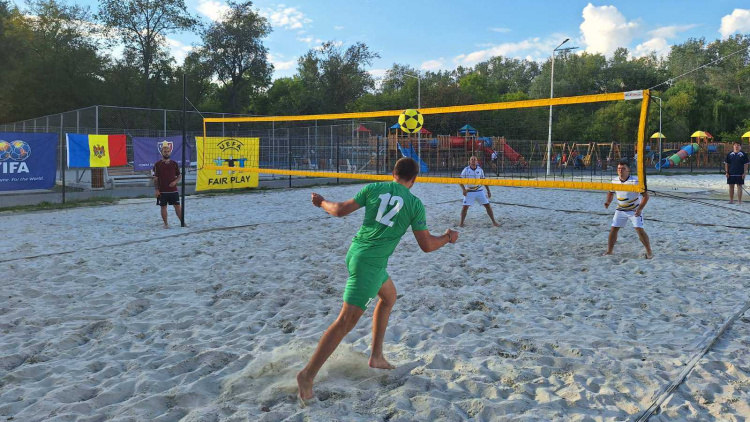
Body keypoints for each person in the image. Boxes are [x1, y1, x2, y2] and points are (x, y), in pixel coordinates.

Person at [297, 157, 459, 402]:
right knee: (344, 322)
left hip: (358, 254)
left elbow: (339, 210)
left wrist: (321, 202)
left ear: (393, 172)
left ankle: (376, 356)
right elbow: (427, 245)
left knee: (389, 297)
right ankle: (307, 375)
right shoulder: (415, 204)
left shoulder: (374, 188)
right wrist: (448, 237)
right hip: (369, 265)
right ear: (414, 180)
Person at [604, 161, 652, 259]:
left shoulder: (636, 181)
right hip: (620, 209)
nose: (620, 170)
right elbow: (610, 192)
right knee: (613, 230)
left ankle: (649, 252)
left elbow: (646, 197)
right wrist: (608, 202)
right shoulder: (614, 181)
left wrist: (640, 209)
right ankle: (609, 251)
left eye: (623, 168)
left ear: (628, 170)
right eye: (618, 169)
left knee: (639, 230)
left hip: (634, 210)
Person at [459, 156, 500, 227]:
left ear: (477, 161)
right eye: (472, 159)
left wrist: (488, 191)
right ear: (469, 161)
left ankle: (494, 222)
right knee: (465, 207)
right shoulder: (466, 169)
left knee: (487, 205)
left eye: (474, 160)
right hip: (469, 190)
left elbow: (484, 181)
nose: (473, 161)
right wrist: (464, 190)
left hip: (479, 190)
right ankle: (461, 223)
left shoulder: (480, 170)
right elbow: (460, 180)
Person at [153, 142, 183, 228]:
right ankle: (166, 224)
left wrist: (175, 182)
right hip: (162, 190)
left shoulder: (174, 163)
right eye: (165, 151)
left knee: (177, 206)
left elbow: (179, 175)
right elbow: (155, 178)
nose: (166, 153)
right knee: (163, 207)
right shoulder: (157, 164)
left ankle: (182, 222)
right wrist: (156, 190)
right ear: (161, 152)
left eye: (168, 151)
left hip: (173, 190)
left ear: (170, 152)